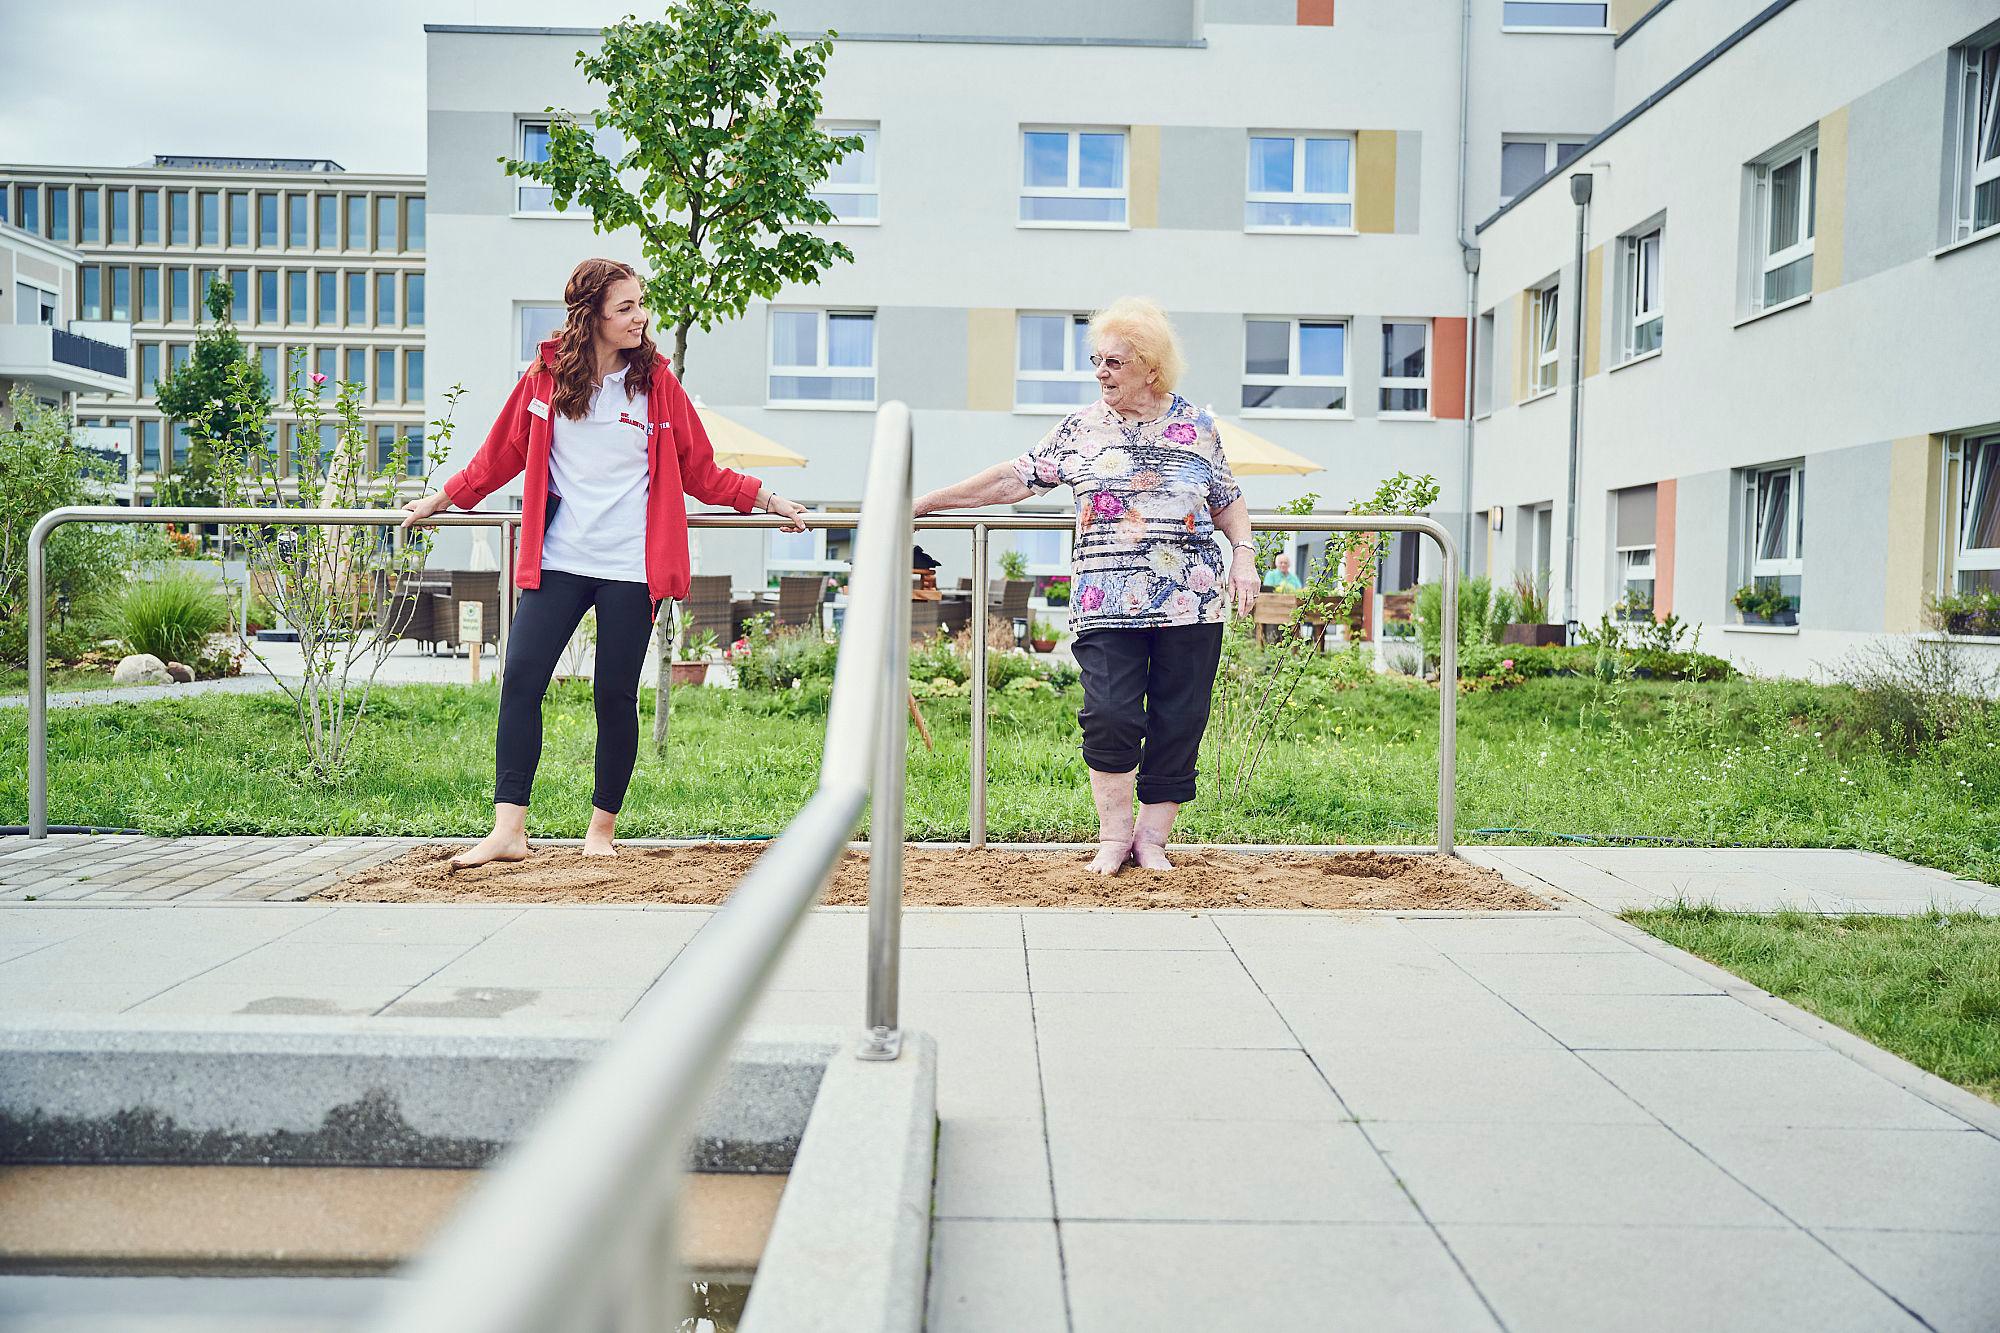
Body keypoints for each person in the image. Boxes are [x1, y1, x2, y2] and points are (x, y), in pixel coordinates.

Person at [402, 257, 807, 868]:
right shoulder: (545, 379)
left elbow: (702, 469)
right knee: (520, 682)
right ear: (589, 316)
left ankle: (601, 833)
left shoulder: (657, 386)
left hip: (632, 566)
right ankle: (508, 830)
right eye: (625, 308)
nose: (640, 317)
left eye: (641, 304)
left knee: (613, 694)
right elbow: (497, 456)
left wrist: (767, 499)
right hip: (558, 559)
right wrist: (442, 497)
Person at [914, 297, 1258, 874]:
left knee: (1180, 718)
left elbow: (1227, 500)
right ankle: (1113, 836)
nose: (1101, 372)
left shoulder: (1197, 426)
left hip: (1191, 602)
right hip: (1105, 602)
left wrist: (1244, 554)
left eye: (1115, 362)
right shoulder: (1081, 428)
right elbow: (1012, 480)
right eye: (1096, 360)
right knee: (1111, 714)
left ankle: (1152, 841)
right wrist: (929, 500)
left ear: (1150, 366)